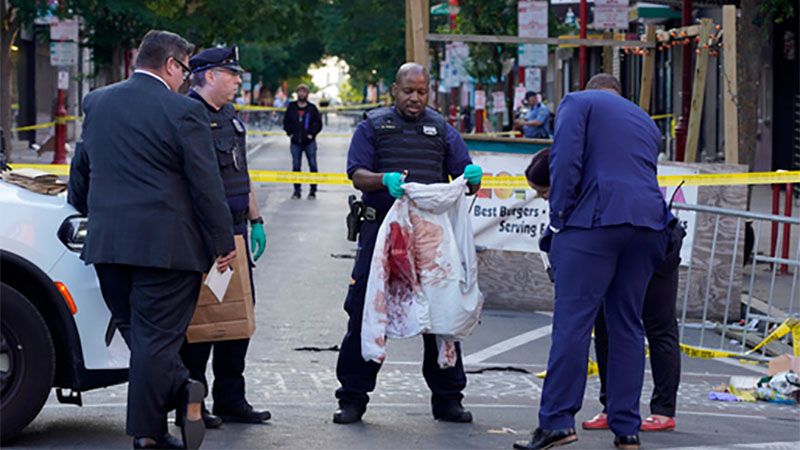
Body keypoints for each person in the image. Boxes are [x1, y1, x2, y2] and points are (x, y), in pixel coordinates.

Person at [67, 30, 236, 450]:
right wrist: (223, 241)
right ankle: (154, 426)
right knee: (155, 343)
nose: (185, 79)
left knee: (142, 338)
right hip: (168, 250)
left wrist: (89, 209)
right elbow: (205, 183)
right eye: (185, 69)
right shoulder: (183, 112)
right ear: (173, 65)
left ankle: (175, 398)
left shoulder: (98, 102)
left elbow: (80, 172)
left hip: (109, 247)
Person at [514, 74, 671, 450]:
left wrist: (559, 215)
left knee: (574, 322)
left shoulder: (577, 102)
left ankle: (556, 421)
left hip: (596, 221)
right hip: (650, 223)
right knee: (627, 325)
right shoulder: (645, 119)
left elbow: (565, 162)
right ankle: (626, 428)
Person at [333, 63, 483, 425]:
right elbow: (356, 174)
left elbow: (465, 173)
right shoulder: (373, 127)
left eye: (421, 91)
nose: (415, 98)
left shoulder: (442, 130)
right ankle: (352, 398)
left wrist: (473, 179)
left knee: (441, 316)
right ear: (394, 91)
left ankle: (448, 398)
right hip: (381, 237)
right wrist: (382, 180)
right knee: (366, 312)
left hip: (429, 242)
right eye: (408, 91)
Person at [524, 149, 685, 436]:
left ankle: (662, 410)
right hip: (625, 244)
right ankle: (615, 408)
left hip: (652, 246)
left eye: (544, 191)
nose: (544, 198)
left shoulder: (601, 180)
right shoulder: (589, 183)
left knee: (655, 327)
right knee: (608, 325)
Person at [178, 45, 271, 429]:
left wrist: (256, 218)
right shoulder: (186, 115)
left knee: (239, 317)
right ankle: (194, 405)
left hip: (236, 229)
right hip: (202, 235)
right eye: (231, 74)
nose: (237, 80)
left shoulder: (232, 117)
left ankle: (232, 399)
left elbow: (241, 171)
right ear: (210, 75)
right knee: (202, 322)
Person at [283, 84, 323, 199]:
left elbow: (318, 123)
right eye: (300, 92)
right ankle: (297, 191)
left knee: (313, 166)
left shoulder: (312, 109)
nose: (302, 94)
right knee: (296, 166)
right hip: (295, 142)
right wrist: (290, 133)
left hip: (309, 142)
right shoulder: (291, 107)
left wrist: (312, 134)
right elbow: (286, 122)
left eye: (304, 92)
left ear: (307, 94)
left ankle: (313, 191)